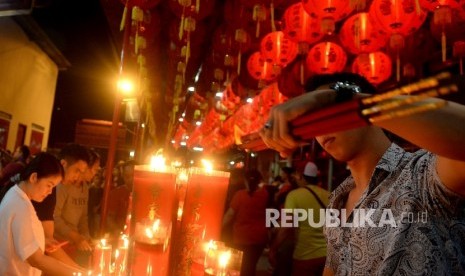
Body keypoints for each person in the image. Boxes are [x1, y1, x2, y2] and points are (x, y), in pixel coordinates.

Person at [259, 72, 465, 275]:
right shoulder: (338, 199)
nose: (320, 130)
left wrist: (343, 98)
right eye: (312, 122)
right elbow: (333, 267)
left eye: (326, 113)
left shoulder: (422, 175)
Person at [0, 152, 85, 275]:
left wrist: (40, 241)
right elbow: (36, 259)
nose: (50, 192)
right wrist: (77, 273)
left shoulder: (16, 196)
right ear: (34, 177)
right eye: (49, 185)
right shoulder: (21, 206)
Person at [32, 143, 90, 267]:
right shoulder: (45, 191)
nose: (78, 177)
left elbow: (48, 240)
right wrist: (78, 271)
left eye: (82, 172)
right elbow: (47, 246)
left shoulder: (49, 190)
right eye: (76, 170)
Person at [270, 161, 329, 276]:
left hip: (305, 255)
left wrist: (274, 248)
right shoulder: (329, 195)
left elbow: (287, 226)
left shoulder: (294, 195)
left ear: (301, 176)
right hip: (327, 257)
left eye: (297, 175)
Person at [54, 148, 100, 265]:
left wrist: (86, 237)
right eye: (94, 169)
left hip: (73, 243)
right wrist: (77, 237)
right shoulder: (62, 185)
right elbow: (55, 218)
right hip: (58, 241)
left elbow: (83, 217)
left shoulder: (85, 188)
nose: (95, 173)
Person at [222, 169, 269, 276]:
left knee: (241, 268)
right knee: (251, 266)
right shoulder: (265, 194)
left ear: (245, 181)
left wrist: (219, 227)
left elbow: (230, 215)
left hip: (242, 237)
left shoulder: (240, 195)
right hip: (260, 238)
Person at [106, 160, 135, 237]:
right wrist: (118, 231)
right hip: (120, 236)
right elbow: (109, 218)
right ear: (123, 176)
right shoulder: (116, 193)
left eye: (134, 175)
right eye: (127, 176)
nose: (131, 179)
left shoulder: (146, 194)